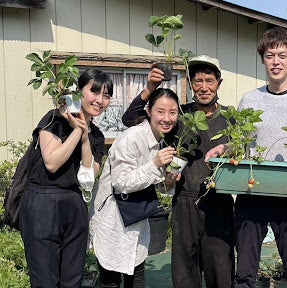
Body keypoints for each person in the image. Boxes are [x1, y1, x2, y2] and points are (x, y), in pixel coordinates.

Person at [205, 27, 287, 288]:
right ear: (263, 59)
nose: (276, 61)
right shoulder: (250, 99)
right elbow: (238, 144)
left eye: (282, 55)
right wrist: (222, 149)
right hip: (253, 193)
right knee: (246, 273)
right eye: (270, 55)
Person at [121, 55, 234, 288]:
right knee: (185, 275)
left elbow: (242, 147)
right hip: (184, 202)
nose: (204, 87)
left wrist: (228, 147)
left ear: (219, 83)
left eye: (210, 80)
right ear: (191, 83)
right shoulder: (178, 114)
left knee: (221, 274)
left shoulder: (230, 117)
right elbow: (129, 119)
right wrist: (150, 88)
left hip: (219, 202)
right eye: (198, 80)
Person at [19, 69, 113, 287]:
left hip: (73, 203)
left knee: (72, 279)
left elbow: (88, 179)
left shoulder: (97, 136)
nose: (100, 100)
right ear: (79, 92)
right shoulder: (53, 120)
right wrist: (76, 131)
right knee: (45, 280)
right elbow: (52, 163)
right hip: (42, 203)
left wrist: (85, 137)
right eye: (95, 92)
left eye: (106, 95)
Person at [89, 88, 181, 288]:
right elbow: (121, 182)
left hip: (137, 220)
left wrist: (169, 180)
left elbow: (152, 183)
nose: (167, 118)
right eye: (161, 111)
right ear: (148, 111)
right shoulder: (131, 138)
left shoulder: (161, 141)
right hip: (114, 220)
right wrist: (155, 164)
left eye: (172, 112)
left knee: (137, 275)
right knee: (110, 281)